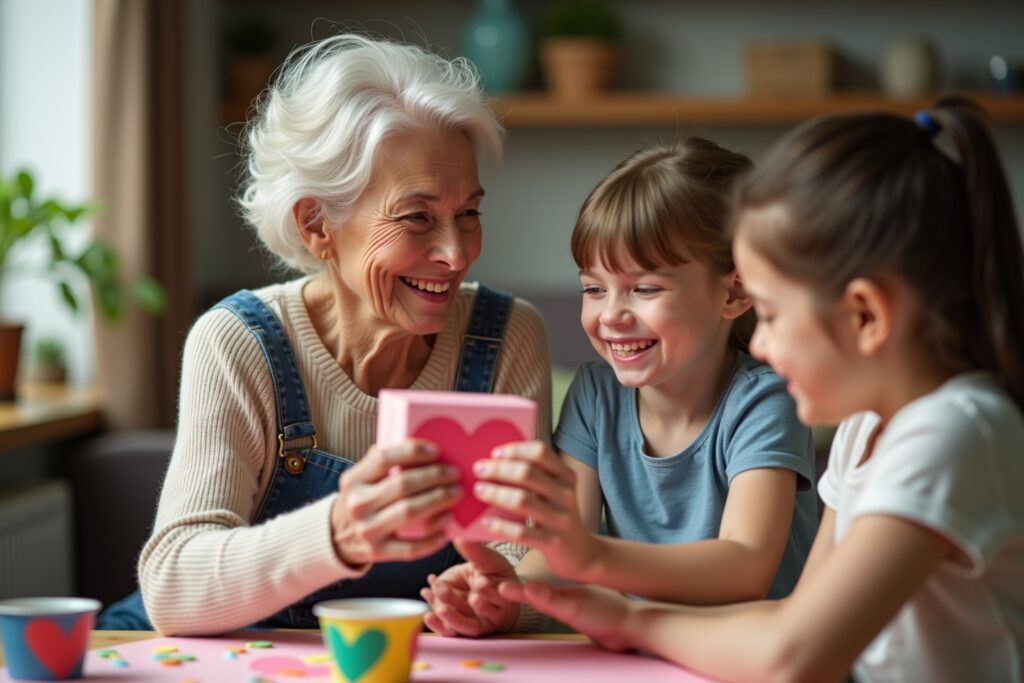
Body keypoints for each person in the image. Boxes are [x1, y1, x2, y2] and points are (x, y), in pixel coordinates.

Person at [499, 98, 1024, 682]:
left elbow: (793, 657)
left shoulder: (952, 430)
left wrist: (624, 614)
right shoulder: (865, 429)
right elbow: (793, 624)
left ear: (865, 316)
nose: (764, 346)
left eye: (771, 314)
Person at [98, 34, 552, 635]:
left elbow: (534, 553)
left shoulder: (506, 338)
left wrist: (505, 596)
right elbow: (175, 586)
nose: (455, 252)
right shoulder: (238, 342)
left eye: (468, 212)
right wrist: (338, 531)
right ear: (317, 225)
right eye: (417, 216)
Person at [422, 138, 818, 637]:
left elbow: (745, 568)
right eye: (593, 288)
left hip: (748, 657)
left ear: (734, 291)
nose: (611, 315)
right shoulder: (595, 395)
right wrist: (504, 594)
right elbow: (566, 552)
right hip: (639, 652)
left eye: (645, 288)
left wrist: (593, 558)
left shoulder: (764, 400)